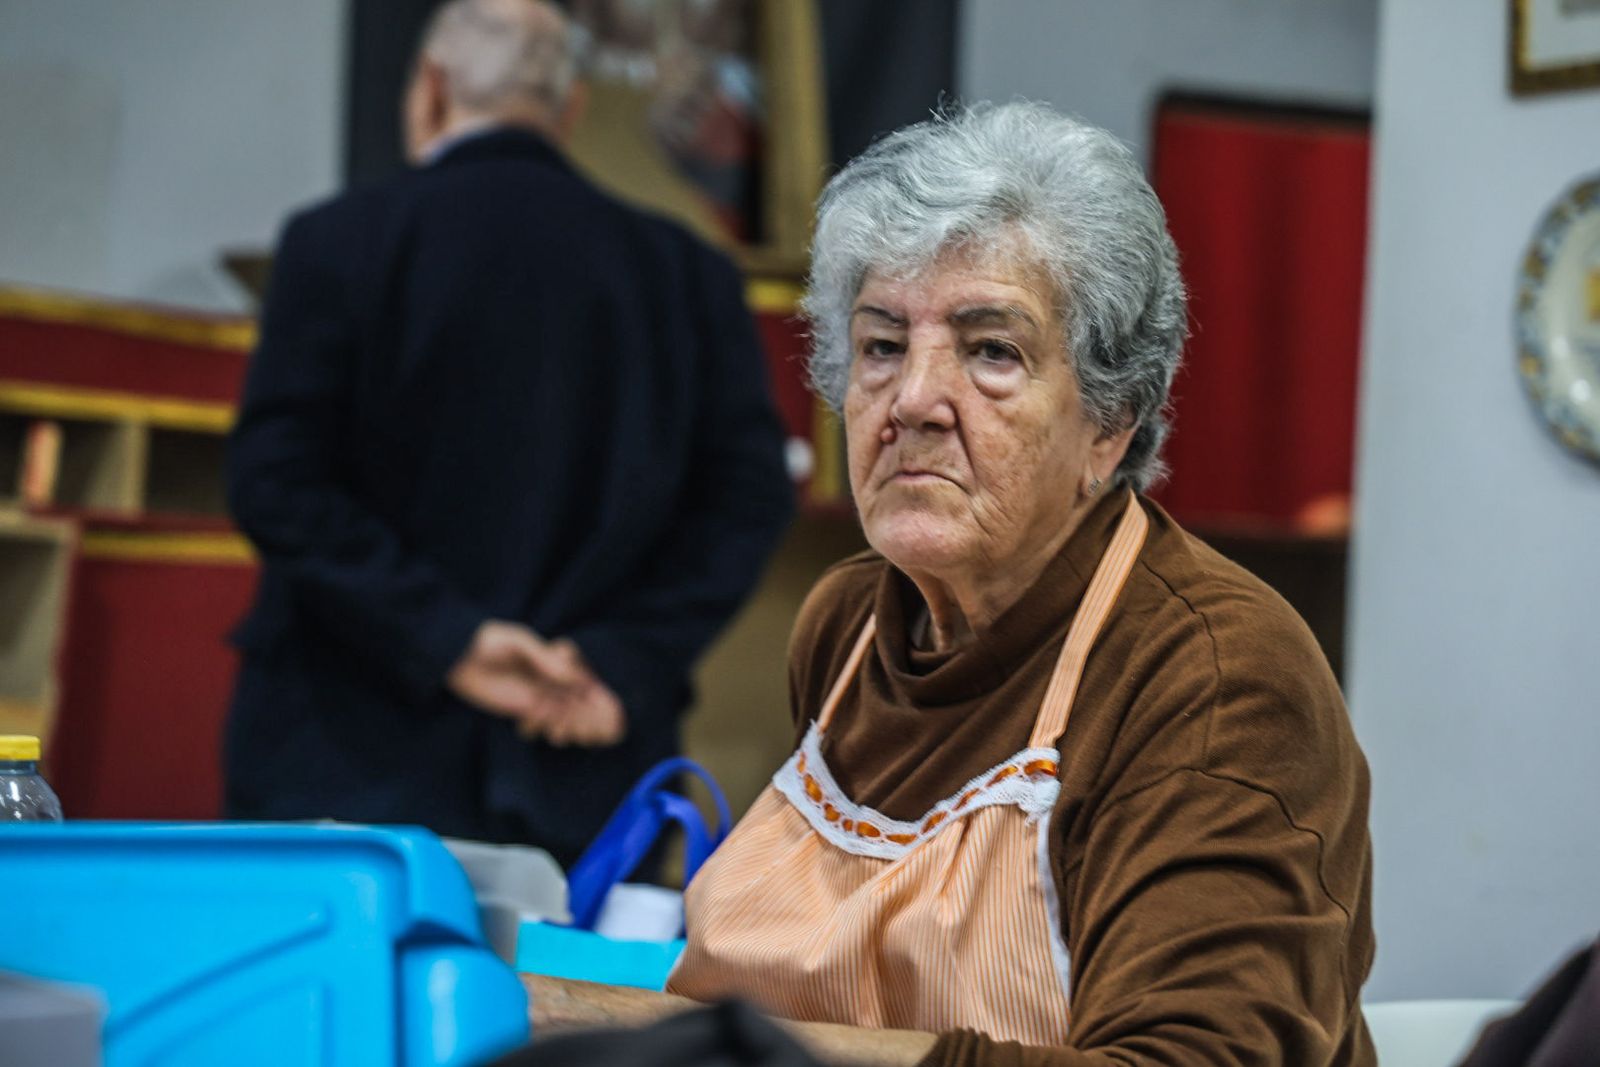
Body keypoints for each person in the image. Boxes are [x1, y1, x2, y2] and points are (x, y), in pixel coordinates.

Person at [526, 101, 1375, 1066]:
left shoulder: (1214, 677)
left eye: (991, 351)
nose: (915, 401)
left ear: (1111, 424)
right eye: (883, 345)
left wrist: (717, 1047)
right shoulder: (848, 622)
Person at [223, 0, 793, 866]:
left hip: (346, 756)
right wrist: (619, 658)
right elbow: (747, 498)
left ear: (432, 89)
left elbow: (277, 481)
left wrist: (447, 636)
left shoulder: (338, 243)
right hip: (588, 759)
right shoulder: (689, 274)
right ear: (567, 110)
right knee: (584, 1000)